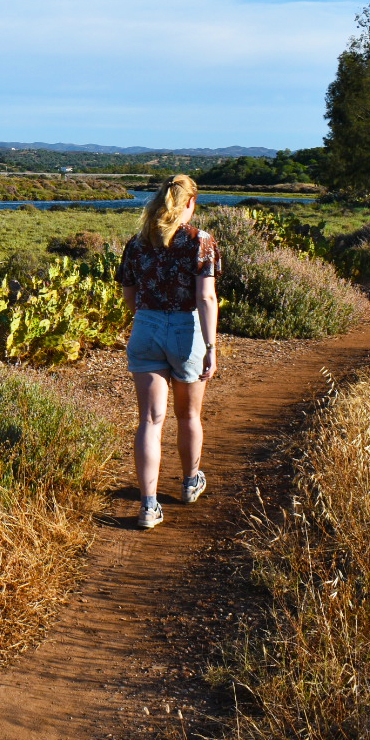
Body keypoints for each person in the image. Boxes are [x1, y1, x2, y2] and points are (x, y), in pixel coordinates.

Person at [117, 174, 221, 530]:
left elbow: (129, 295)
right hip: (185, 329)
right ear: (189, 203)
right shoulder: (200, 241)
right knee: (188, 415)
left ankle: (149, 505)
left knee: (150, 419)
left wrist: (148, 320)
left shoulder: (137, 243)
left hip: (145, 327)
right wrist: (211, 347)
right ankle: (190, 482)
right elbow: (206, 297)